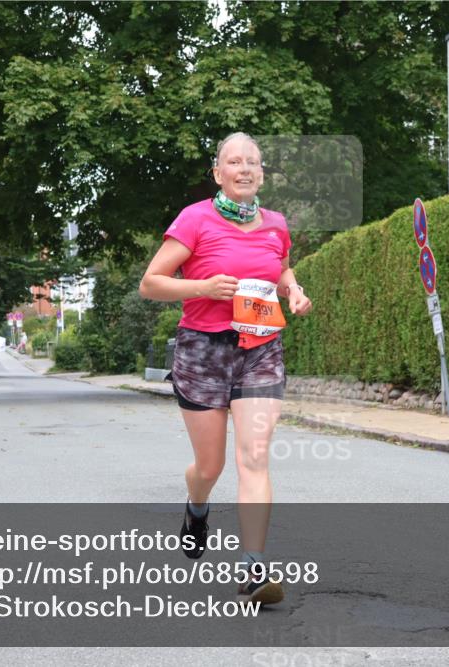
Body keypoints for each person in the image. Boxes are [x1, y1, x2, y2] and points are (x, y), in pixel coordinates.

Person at [139, 132, 312, 605]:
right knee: (210, 465)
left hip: (260, 349)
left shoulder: (276, 224)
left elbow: (280, 269)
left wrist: (293, 291)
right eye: (234, 162)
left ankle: (253, 568)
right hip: (203, 352)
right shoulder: (195, 218)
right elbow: (151, 283)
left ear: (262, 174)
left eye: (252, 162)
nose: (244, 169)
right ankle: (197, 506)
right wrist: (203, 288)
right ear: (218, 173)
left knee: (253, 457)